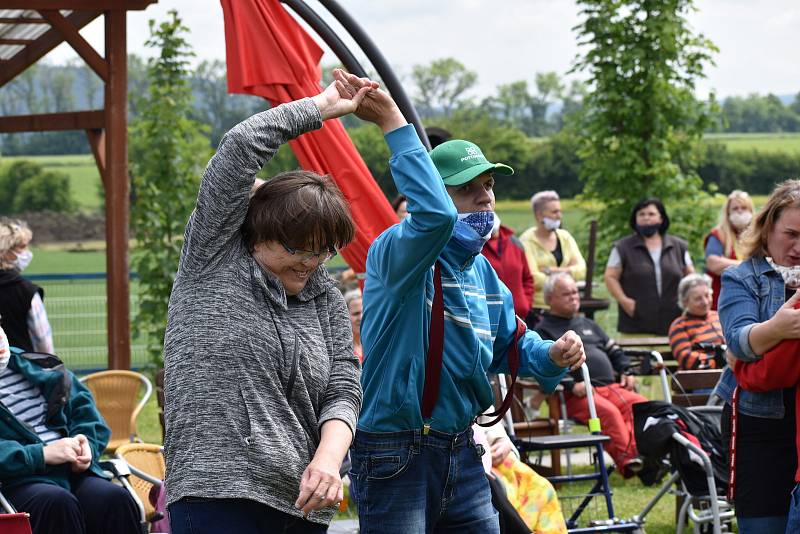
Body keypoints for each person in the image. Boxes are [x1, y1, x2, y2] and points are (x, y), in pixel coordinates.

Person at [341, 72, 585, 533]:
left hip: (462, 447)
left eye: (489, 184)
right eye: (468, 186)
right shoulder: (397, 251)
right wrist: (393, 121)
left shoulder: (480, 271)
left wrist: (550, 354)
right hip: (396, 450)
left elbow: (507, 343)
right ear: (434, 193)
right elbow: (432, 219)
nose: (486, 196)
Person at [163, 69, 369, 533]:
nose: (311, 262)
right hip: (217, 493)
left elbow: (343, 391)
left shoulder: (326, 301)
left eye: (324, 250)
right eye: (297, 248)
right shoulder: (214, 260)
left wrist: (328, 461)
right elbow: (240, 147)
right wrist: (321, 107)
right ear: (258, 236)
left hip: (300, 503)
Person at [715, 179, 800, 533]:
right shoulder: (742, 276)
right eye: (791, 234)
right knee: (764, 523)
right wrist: (778, 328)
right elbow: (737, 342)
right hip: (758, 421)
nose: (798, 246)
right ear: (766, 230)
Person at [0, 323, 141, 534]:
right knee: (57, 503)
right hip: (17, 482)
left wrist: (86, 445)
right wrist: (41, 454)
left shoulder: (37, 365)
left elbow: (86, 414)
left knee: (114, 499)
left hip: (72, 472)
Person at [536, 272, 647, 477]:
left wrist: (627, 370)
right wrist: (570, 384)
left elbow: (615, 351)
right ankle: (631, 463)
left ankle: (645, 457)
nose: (574, 297)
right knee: (610, 413)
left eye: (575, 293)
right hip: (576, 395)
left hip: (612, 388)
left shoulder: (589, 324)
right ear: (550, 299)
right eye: (566, 293)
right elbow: (544, 366)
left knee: (640, 406)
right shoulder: (543, 331)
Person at [604, 198, 694, 335]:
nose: (646, 218)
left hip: (674, 322)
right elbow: (610, 277)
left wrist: (687, 301)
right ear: (635, 219)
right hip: (636, 323)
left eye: (651, 214)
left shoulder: (679, 246)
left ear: (661, 219)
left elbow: (691, 277)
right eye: (641, 214)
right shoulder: (622, 247)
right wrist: (624, 301)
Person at [473, 412, 567, 534]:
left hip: (494, 456)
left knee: (541, 487)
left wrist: (502, 440)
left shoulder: (474, 395)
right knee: (499, 492)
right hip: (474, 466)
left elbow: (488, 414)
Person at [520, 191, 586, 324]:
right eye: (554, 212)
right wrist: (567, 276)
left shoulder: (565, 237)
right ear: (539, 215)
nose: (559, 216)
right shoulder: (526, 241)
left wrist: (551, 271)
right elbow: (533, 278)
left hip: (567, 308)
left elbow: (582, 270)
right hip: (540, 309)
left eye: (560, 211)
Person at [0, 218, 54, 354]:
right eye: (23, 247)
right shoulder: (26, 291)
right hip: (19, 369)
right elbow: (43, 341)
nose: (27, 252)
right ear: (6, 251)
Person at [705, 190, 755, 310]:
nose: (739, 211)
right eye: (735, 208)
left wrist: (727, 263)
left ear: (751, 211)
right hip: (723, 300)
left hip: (751, 299)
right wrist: (751, 265)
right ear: (728, 213)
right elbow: (714, 264)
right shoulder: (718, 234)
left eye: (744, 207)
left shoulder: (759, 234)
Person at [482, 207, 535, 319]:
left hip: (519, 316)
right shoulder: (476, 247)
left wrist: (525, 304)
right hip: (490, 318)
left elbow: (527, 278)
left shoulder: (515, 243)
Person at [668, 274, 726, 371]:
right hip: (699, 379)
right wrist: (716, 362)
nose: (705, 302)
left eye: (707, 295)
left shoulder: (719, 316)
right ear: (685, 302)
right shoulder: (679, 325)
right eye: (698, 299)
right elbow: (685, 357)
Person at [344, 288, 363, 363]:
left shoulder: (375, 341)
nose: (361, 317)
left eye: (364, 312)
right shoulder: (343, 348)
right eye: (356, 313)